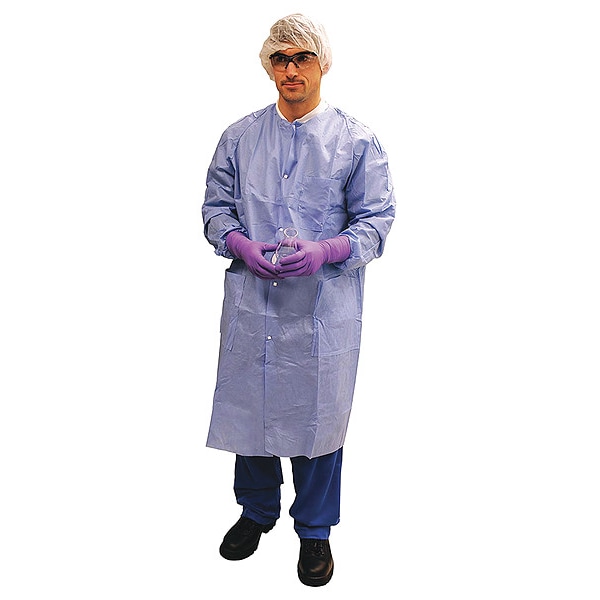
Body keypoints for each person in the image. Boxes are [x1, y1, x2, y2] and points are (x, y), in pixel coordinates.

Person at [202, 13, 395, 587]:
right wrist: (239, 242)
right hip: (254, 303)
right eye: (280, 59)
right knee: (253, 411)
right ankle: (255, 512)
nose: (291, 69)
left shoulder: (355, 141)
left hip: (321, 311)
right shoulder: (240, 138)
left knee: (317, 420)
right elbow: (215, 209)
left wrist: (329, 249)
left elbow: (377, 221)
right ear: (268, 67)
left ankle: (314, 530)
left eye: (302, 57)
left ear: (323, 63)